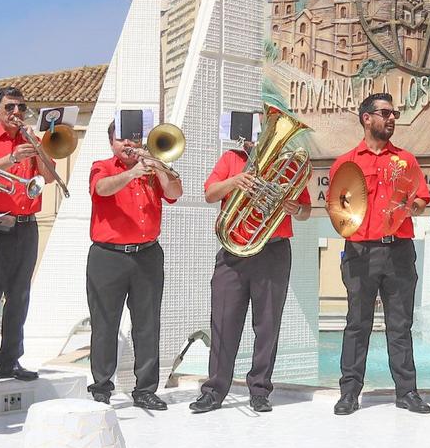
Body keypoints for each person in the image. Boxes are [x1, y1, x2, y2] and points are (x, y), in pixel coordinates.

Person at [193, 119, 312, 414]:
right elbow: (209, 193)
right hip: (233, 252)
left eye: (262, 136)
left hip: (273, 252)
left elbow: (306, 211)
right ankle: (214, 390)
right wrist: (235, 182)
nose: (254, 142)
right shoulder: (231, 160)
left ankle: (260, 390)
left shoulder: (288, 166)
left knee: (268, 324)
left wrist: (295, 208)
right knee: (223, 322)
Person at [330, 93, 430, 415]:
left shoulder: (406, 160)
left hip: (399, 251)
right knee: (356, 325)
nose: (392, 119)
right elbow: (336, 207)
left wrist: (410, 207)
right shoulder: (346, 162)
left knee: (400, 325)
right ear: (366, 118)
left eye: (395, 113)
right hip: (360, 252)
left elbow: (422, 198)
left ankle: (407, 392)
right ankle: (349, 393)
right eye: (385, 113)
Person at [86, 119, 183, 407]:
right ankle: (102, 387)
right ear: (112, 143)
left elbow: (175, 193)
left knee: (147, 323)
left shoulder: (153, 168)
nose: (129, 145)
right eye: (122, 140)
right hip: (108, 256)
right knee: (105, 322)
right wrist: (132, 173)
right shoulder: (102, 166)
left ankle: (145, 389)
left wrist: (160, 168)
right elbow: (101, 189)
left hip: (147, 254)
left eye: (134, 139)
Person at [0, 87, 60, 385]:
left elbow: (49, 178)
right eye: (10, 107)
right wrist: (11, 157)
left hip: (27, 224)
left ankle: (10, 360)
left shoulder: (30, 140)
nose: (16, 113)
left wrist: (39, 146)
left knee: (19, 296)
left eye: (21, 107)